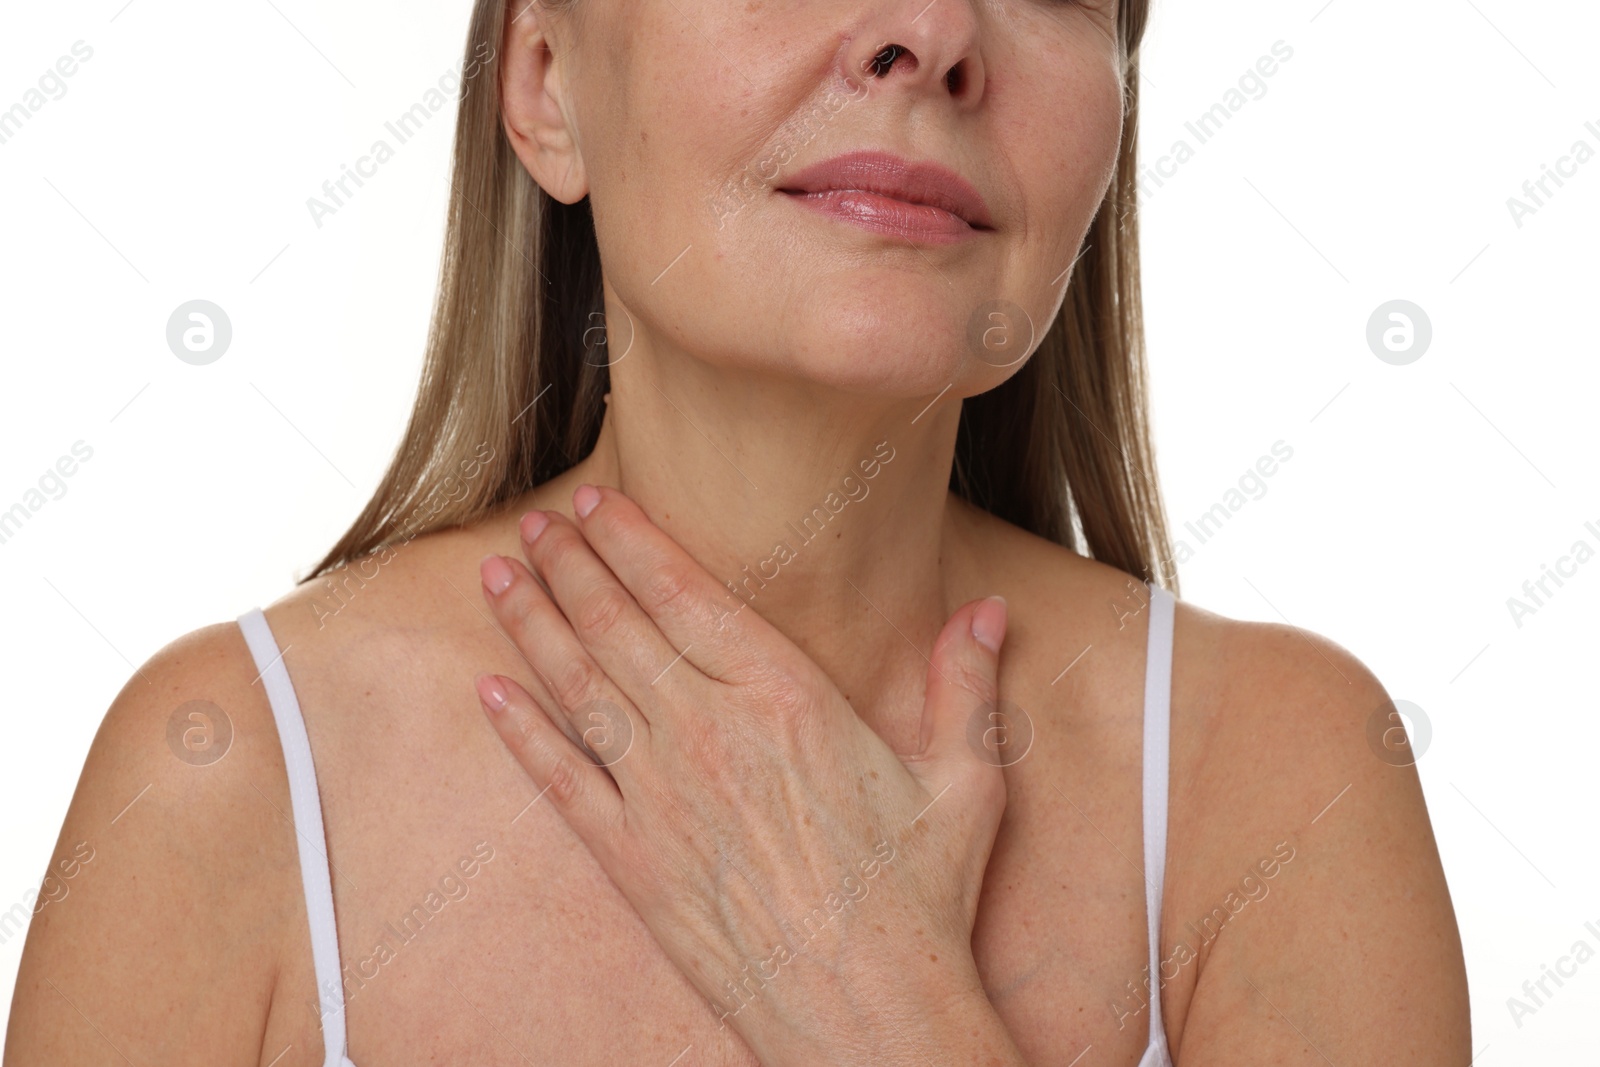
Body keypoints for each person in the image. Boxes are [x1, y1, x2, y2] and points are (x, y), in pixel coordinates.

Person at [5, 1, 1469, 1063]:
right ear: (546, 82)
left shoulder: (1284, 785)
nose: (936, 32)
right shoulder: (232, 782)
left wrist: (880, 1005)